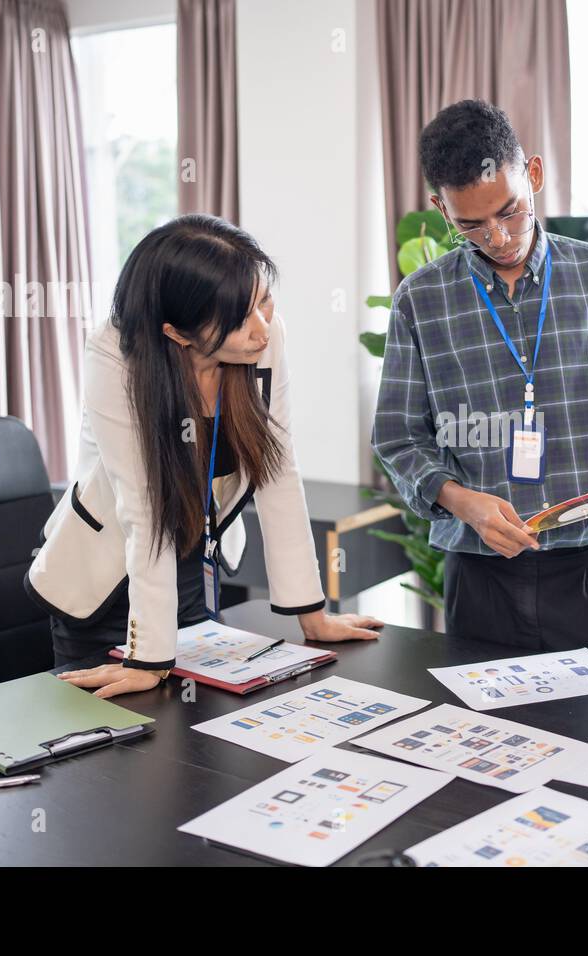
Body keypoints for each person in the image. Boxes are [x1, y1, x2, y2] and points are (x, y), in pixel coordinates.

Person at [25, 214, 382, 698]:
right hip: (108, 580)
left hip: (194, 562)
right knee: (121, 753)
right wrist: (148, 657)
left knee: (196, 731)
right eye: (240, 319)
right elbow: (143, 508)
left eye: (263, 302)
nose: (262, 328)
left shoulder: (265, 337)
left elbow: (278, 471)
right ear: (176, 332)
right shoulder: (114, 354)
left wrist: (311, 614)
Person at [371, 99, 588, 664]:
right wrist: (459, 500)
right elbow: (399, 438)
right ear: (440, 209)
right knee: (488, 747)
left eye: (511, 211)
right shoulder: (420, 300)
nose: (497, 237)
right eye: (470, 224)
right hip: (482, 576)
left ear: (536, 176)